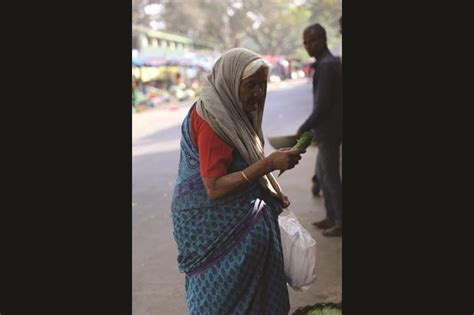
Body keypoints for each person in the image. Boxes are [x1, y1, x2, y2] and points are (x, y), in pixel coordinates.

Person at [171, 48, 304, 314]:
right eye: (250, 85)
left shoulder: (232, 111)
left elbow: (244, 162)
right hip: (211, 226)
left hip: (237, 217)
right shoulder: (214, 122)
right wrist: (268, 164)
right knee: (220, 300)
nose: (258, 93)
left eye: (262, 85)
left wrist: (270, 191)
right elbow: (214, 187)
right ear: (230, 83)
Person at [297, 23, 342, 237]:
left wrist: (304, 127)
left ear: (323, 40)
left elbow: (322, 105)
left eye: (311, 41)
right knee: (324, 177)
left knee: (330, 178)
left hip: (330, 130)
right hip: (328, 129)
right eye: (305, 42)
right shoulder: (329, 63)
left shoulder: (326, 65)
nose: (307, 46)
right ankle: (331, 216)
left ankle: (340, 221)